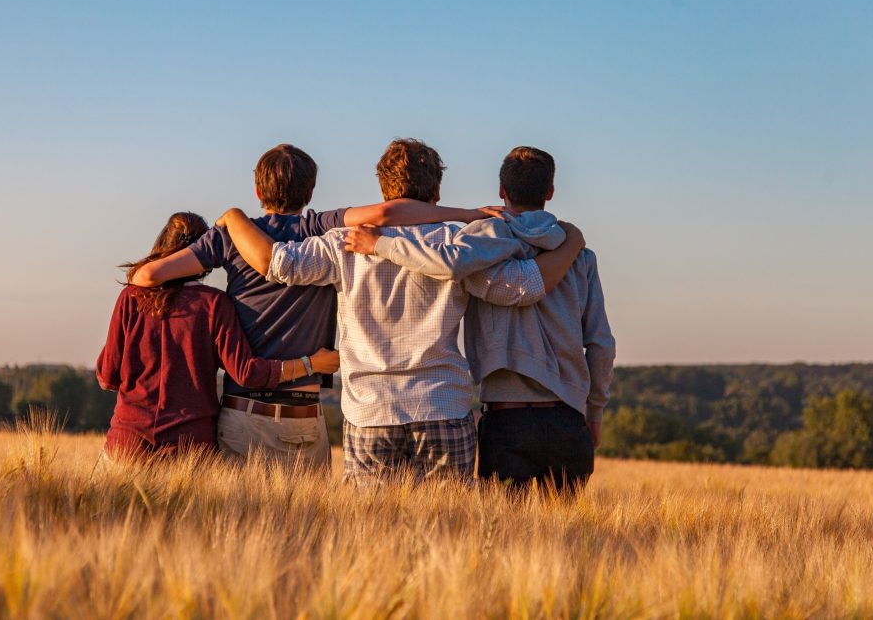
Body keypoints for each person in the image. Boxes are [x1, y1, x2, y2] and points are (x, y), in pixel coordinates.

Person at [215, 139, 586, 485]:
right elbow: (521, 288)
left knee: (371, 535)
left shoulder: (342, 243)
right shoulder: (458, 244)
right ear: (437, 192)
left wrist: (233, 218)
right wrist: (571, 244)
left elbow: (277, 264)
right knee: (448, 533)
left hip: (370, 411)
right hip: (442, 405)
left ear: (383, 190)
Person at [129, 143, 502, 468]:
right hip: (307, 415)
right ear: (310, 192)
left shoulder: (230, 236)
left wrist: (229, 222)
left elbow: (147, 278)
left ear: (257, 189)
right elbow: (388, 214)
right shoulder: (320, 227)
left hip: (245, 411)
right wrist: (467, 215)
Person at [345, 146, 615, 493]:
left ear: (502, 191)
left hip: (505, 419)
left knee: (501, 537)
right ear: (549, 192)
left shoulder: (478, 245)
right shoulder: (580, 255)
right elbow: (601, 344)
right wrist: (594, 411)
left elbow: (448, 263)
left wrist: (380, 244)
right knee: (566, 540)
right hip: (568, 418)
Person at [96, 211, 339, 461]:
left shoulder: (131, 298)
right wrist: (311, 364)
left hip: (127, 444)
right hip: (190, 450)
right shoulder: (214, 304)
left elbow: (108, 377)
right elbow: (247, 373)